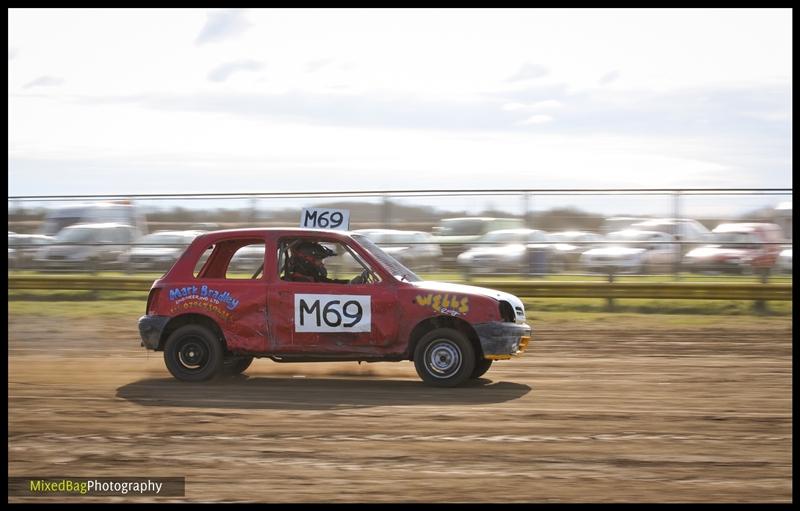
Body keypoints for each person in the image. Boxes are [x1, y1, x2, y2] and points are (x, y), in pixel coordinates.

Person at [284, 240, 349, 283]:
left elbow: (326, 282)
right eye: (319, 260)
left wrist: (349, 283)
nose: (322, 264)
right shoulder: (302, 282)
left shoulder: (311, 278)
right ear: (306, 261)